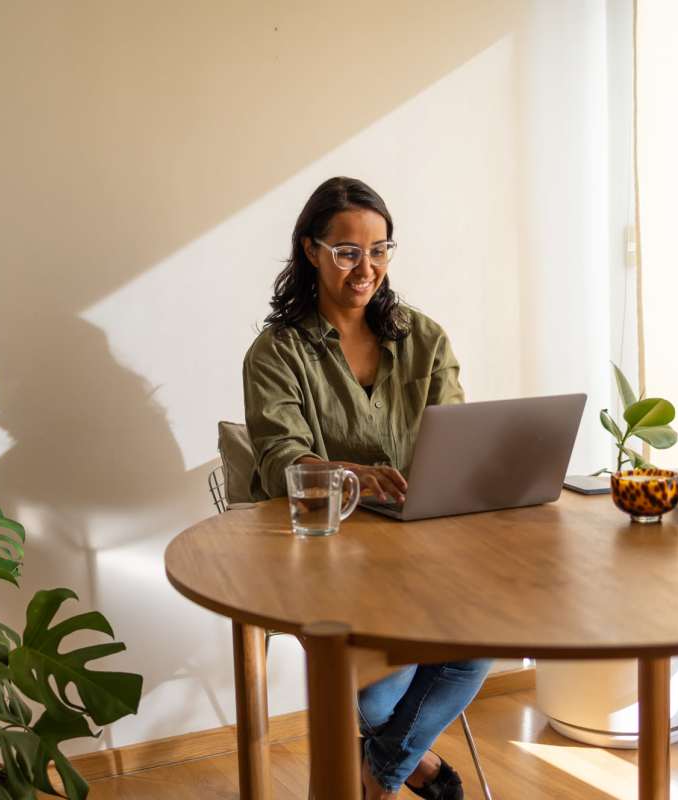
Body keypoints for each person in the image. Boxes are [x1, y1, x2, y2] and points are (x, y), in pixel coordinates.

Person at [242, 176, 492, 799]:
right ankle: (416, 767)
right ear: (311, 251)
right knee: (377, 691)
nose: (367, 268)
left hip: (423, 552)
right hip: (324, 556)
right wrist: (348, 474)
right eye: (349, 251)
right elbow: (279, 460)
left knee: (480, 643)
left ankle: (375, 776)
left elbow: (457, 438)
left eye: (380, 250)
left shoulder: (424, 338)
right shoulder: (277, 352)